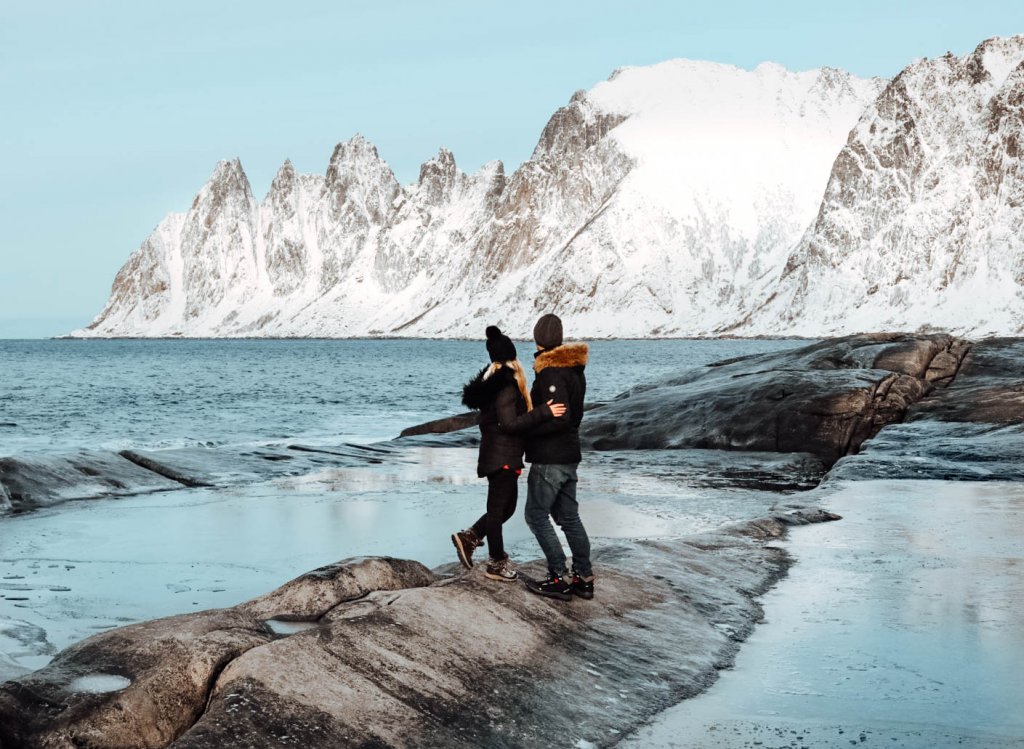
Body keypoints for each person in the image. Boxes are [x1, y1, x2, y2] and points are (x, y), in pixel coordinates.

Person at [451, 326, 566, 582]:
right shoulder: (505, 387)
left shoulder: (496, 385)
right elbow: (509, 424)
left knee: (506, 509)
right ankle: (496, 562)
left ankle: (469, 537)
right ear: (512, 359)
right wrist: (544, 412)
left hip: (503, 455)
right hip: (501, 456)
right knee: (497, 510)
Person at [523, 313, 595, 600]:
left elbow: (560, 416)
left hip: (550, 456)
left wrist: (528, 429)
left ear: (539, 338)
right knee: (568, 517)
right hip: (569, 453)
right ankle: (583, 577)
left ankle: (558, 576)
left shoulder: (552, 372)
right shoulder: (574, 368)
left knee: (536, 515)